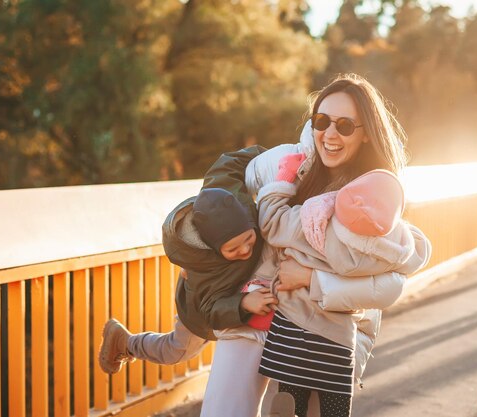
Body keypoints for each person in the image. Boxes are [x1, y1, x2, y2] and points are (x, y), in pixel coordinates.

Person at [199, 73, 431, 417]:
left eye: (345, 126)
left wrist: (310, 278)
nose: (330, 134)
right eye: (321, 121)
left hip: (320, 341)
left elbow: (389, 283)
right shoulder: (302, 169)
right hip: (266, 319)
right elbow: (234, 178)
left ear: (367, 132)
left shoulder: (370, 198)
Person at [98, 146, 279, 375]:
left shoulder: (230, 199)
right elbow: (209, 309)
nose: (245, 249)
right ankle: (126, 342)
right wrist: (242, 303)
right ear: (214, 247)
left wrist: (279, 154)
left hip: (234, 289)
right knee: (175, 351)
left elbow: (228, 162)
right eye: (233, 249)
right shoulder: (206, 274)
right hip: (202, 307)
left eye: (249, 238)